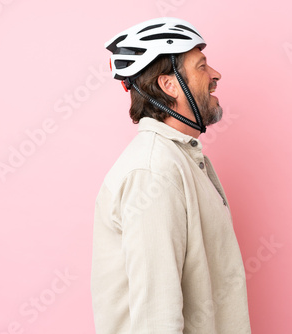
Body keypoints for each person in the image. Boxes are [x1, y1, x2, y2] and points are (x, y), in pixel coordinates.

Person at [91, 17, 251, 334]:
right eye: (202, 66)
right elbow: (156, 318)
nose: (215, 74)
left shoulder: (178, 160)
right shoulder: (153, 173)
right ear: (169, 84)